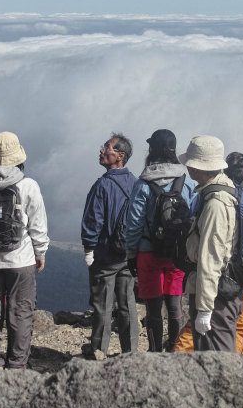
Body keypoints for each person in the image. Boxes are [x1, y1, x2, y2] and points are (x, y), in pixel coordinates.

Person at [0, 132, 48, 370]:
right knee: (21, 311)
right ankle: (17, 363)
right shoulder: (28, 185)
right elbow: (38, 224)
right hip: (21, 259)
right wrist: (40, 253)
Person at [121, 129, 193, 352]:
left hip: (147, 252)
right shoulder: (186, 181)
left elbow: (133, 222)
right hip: (177, 253)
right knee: (175, 305)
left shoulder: (143, 183)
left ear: (152, 149)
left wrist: (131, 253)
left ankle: (153, 353)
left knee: (152, 308)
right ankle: (174, 350)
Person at [81, 133, 139, 360]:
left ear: (120, 156)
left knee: (102, 306)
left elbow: (93, 220)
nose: (102, 151)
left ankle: (98, 351)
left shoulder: (103, 185)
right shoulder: (136, 183)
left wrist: (89, 249)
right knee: (127, 304)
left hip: (105, 256)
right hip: (128, 254)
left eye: (107, 148)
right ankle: (131, 351)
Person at [182, 135, 241, 354]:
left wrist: (204, 309)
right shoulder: (222, 192)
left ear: (197, 167)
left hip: (215, 297)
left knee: (217, 359)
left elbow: (211, 257)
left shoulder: (215, 203)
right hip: (219, 292)